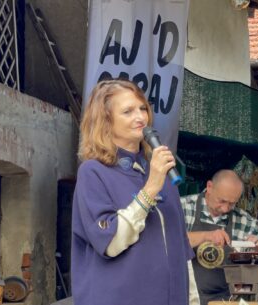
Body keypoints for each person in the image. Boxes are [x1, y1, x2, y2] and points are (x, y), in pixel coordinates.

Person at [71, 79, 198, 305]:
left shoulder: (160, 173)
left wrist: (193, 299)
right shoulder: (93, 172)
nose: (140, 117)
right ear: (106, 121)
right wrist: (149, 190)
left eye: (142, 108)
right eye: (128, 111)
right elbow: (110, 243)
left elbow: (182, 250)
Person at [180, 169, 258, 305]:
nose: (225, 208)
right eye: (222, 201)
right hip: (182, 297)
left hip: (224, 301)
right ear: (209, 187)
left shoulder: (245, 222)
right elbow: (165, 244)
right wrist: (205, 236)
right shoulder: (182, 208)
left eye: (232, 203)